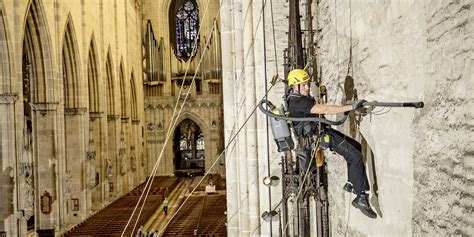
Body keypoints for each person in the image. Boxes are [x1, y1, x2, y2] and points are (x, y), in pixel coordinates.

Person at [285, 69, 377, 219]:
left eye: (307, 84)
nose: (307, 87)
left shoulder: (295, 97)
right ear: (294, 86)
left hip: (322, 130)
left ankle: (352, 183)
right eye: (303, 85)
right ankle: (361, 197)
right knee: (355, 157)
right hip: (321, 135)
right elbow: (325, 109)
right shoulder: (297, 101)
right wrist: (350, 107)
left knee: (355, 146)